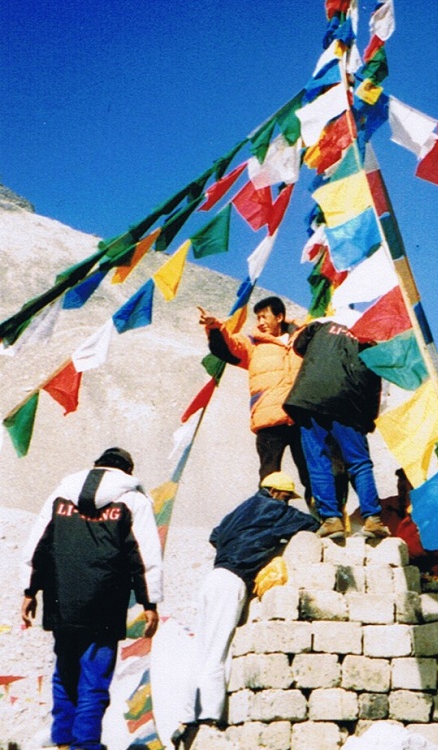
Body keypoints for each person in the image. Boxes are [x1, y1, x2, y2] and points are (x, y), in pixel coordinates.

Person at [21, 446, 163, 750]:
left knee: (65, 673)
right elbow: (145, 554)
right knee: (94, 680)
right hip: (106, 603)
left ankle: (62, 741)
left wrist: (29, 592)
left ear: (96, 466)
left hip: (62, 602)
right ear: (127, 471)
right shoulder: (133, 500)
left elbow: (38, 547)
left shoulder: (60, 495)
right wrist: (150, 603)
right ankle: (85, 744)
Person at [173, 471, 317, 744]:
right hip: (232, 581)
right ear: (276, 493)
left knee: (202, 649)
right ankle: (208, 717)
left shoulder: (242, 508)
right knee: (218, 651)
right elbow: (310, 524)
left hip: (213, 578)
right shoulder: (276, 509)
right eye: (287, 497)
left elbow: (215, 535)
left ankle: (187, 716)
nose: (287, 503)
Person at [283, 319, 389, 543]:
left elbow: (299, 346)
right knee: (359, 462)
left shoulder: (320, 326)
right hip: (350, 405)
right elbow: (376, 386)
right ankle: (373, 519)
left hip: (311, 397)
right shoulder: (371, 344)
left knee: (318, 460)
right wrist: (368, 420)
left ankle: (331, 519)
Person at [199, 297, 310, 500]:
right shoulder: (252, 343)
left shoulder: (303, 339)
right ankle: (268, 521)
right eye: (257, 317)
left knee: (311, 472)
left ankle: (321, 519)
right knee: (269, 475)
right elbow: (227, 347)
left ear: (279, 316)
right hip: (268, 417)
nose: (259, 322)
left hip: (302, 417)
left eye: (264, 316)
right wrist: (214, 327)